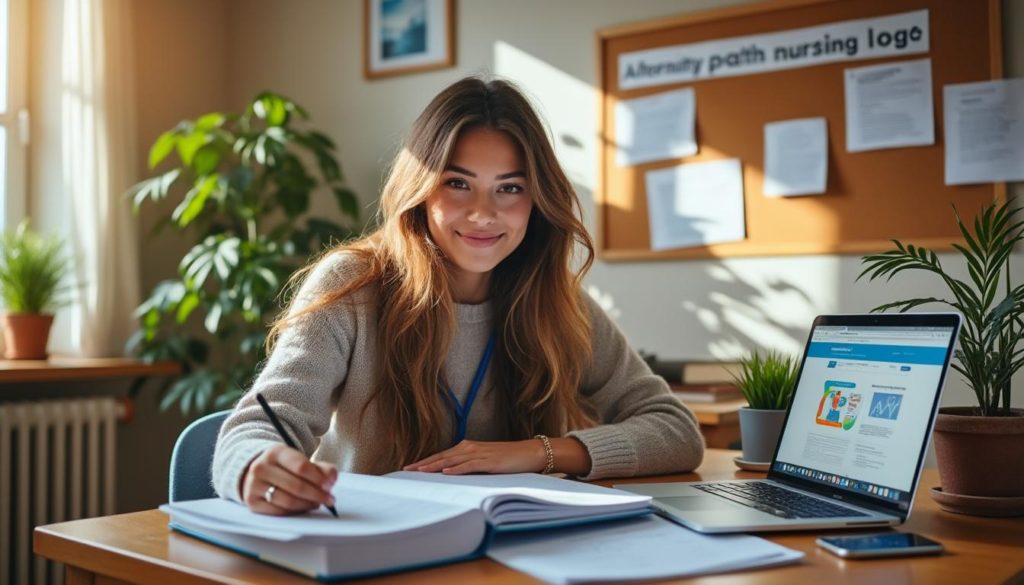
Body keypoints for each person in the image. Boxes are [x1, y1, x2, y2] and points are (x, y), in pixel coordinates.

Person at [212, 76, 704, 515]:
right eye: (458, 184)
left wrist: (536, 452)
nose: (483, 214)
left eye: (509, 188)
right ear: (420, 190)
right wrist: (258, 464)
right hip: (373, 549)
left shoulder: (556, 302)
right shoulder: (353, 287)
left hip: (511, 555)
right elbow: (257, 426)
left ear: (537, 200)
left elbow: (676, 431)